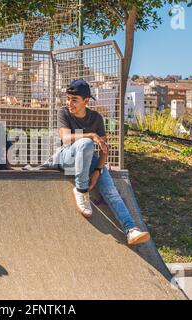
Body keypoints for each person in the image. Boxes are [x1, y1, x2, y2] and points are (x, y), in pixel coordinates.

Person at [57, 79, 150, 245]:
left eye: (74, 100)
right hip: (67, 158)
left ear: (86, 101)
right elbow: (65, 138)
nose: (69, 103)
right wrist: (91, 135)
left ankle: (131, 230)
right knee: (85, 143)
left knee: (110, 190)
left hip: (90, 162)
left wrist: (98, 170)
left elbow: (104, 148)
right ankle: (81, 190)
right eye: (68, 99)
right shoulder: (63, 112)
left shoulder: (96, 118)